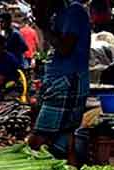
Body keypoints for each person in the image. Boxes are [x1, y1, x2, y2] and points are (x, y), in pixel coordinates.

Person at [27, 0, 91, 158]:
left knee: (38, 140)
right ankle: (71, 165)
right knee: (65, 134)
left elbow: (64, 48)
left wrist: (43, 25)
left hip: (67, 80)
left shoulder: (73, 12)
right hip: (57, 79)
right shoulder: (60, 15)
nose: (36, 8)